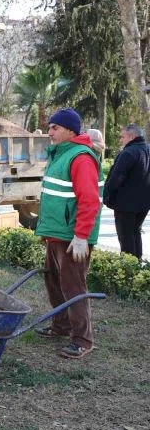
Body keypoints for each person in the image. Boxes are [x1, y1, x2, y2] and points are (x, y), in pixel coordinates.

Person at [34, 108, 103, 359]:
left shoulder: (81, 158)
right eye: (50, 127)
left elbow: (89, 201)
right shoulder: (60, 155)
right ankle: (61, 325)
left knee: (74, 286)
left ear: (71, 131)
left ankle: (83, 340)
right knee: (53, 281)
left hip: (73, 238)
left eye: (55, 128)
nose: (49, 132)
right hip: (57, 234)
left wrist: (82, 235)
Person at [103, 123, 150, 260]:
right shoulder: (147, 150)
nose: (121, 140)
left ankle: (128, 269)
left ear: (131, 136)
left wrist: (105, 196)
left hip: (125, 204)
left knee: (126, 237)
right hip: (144, 204)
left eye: (122, 137)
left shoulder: (128, 153)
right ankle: (137, 265)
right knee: (136, 232)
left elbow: (116, 178)